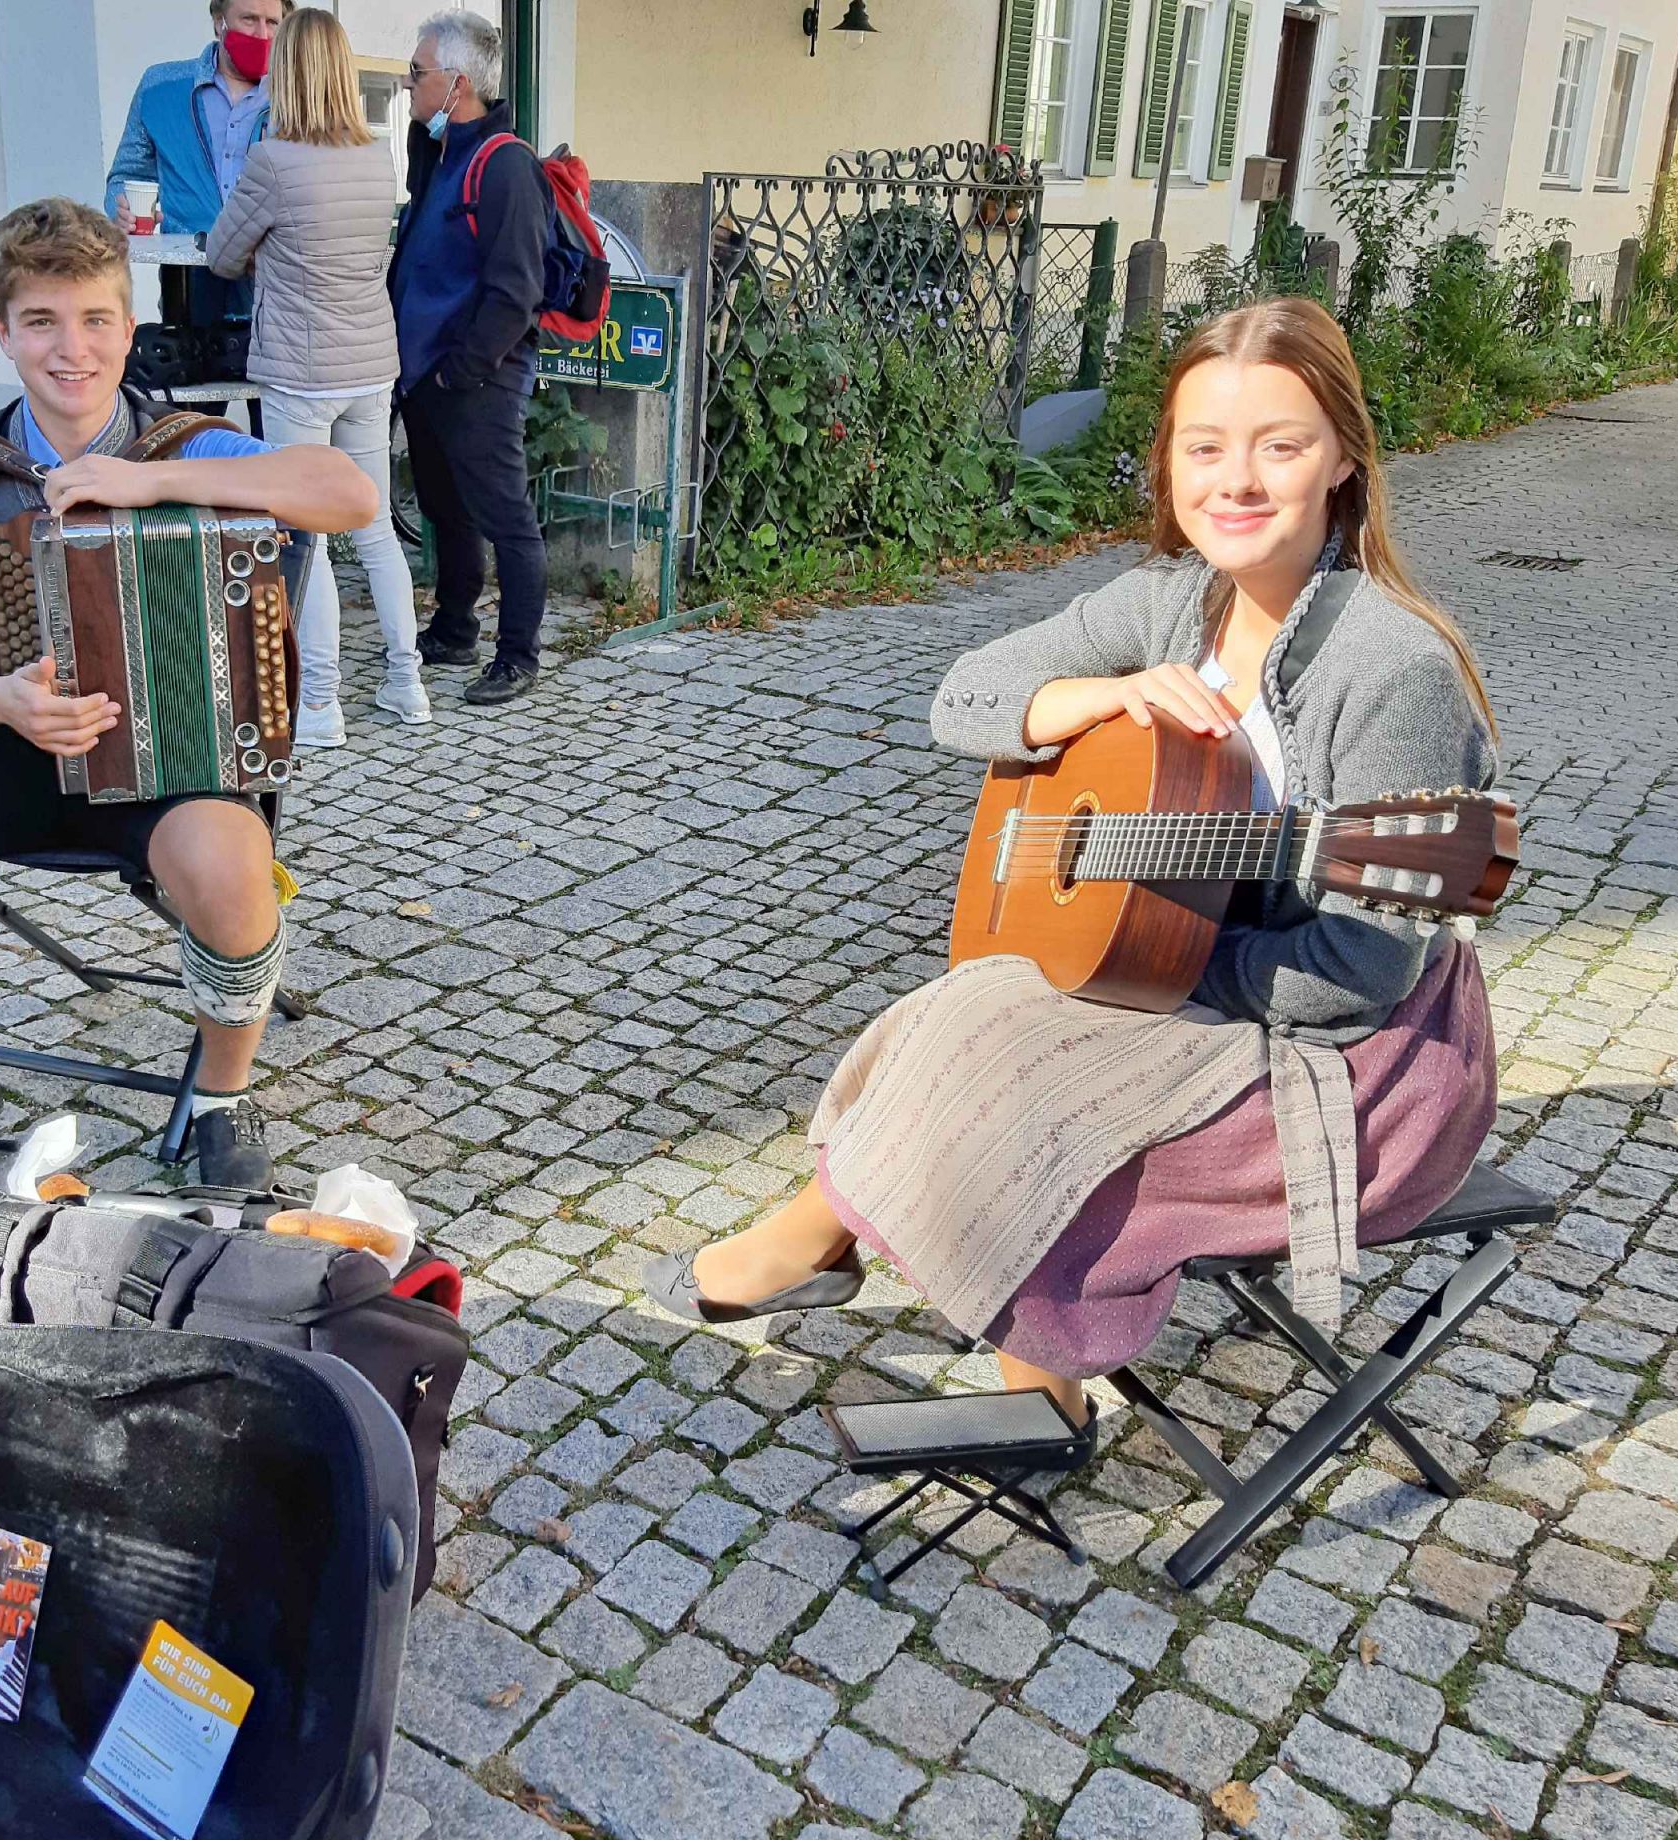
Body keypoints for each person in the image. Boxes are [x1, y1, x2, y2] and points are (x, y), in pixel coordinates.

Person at [641, 298, 1503, 1431]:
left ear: (1343, 458)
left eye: (1280, 446)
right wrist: (1100, 696)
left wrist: (1155, 967)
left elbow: (1361, 971)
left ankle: (907, 1309)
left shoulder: (1394, 670)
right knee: (972, 1007)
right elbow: (964, 696)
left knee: (1018, 1056)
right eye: (1204, 448)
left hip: (1362, 1061)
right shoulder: (1171, 603)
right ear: (1168, 462)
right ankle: (998, 1363)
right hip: (1214, 990)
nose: (1236, 481)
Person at [0, 199, 375, 1186]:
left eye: (93, 320)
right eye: (41, 322)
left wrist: (145, 484)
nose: (69, 349)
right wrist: (3, 702)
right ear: (3, 332)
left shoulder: (190, 449)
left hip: (174, 770)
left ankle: (221, 1097)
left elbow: (351, 493)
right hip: (13, 751)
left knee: (230, 855)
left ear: (128, 329)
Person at [207, 8, 428, 744]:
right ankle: (407, 684)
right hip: (371, 365)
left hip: (302, 373)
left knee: (308, 537)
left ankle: (323, 704)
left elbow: (220, 255)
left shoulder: (272, 161)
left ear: (287, 74)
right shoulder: (376, 157)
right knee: (374, 529)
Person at [386, 7, 549, 708]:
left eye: (416, 73)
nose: (407, 84)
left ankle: (518, 656)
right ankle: (455, 629)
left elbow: (517, 291)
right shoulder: (442, 154)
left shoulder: (506, 165)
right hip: (428, 372)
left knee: (504, 515)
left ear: (455, 84)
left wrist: (462, 370)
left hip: (477, 374)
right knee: (445, 511)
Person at [107, 0, 291, 323]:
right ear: (219, 22)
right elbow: (127, 175)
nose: (262, 35)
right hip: (188, 287)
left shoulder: (296, 97)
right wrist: (121, 209)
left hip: (273, 284)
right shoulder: (161, 88)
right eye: (249, 19)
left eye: (273, 23)